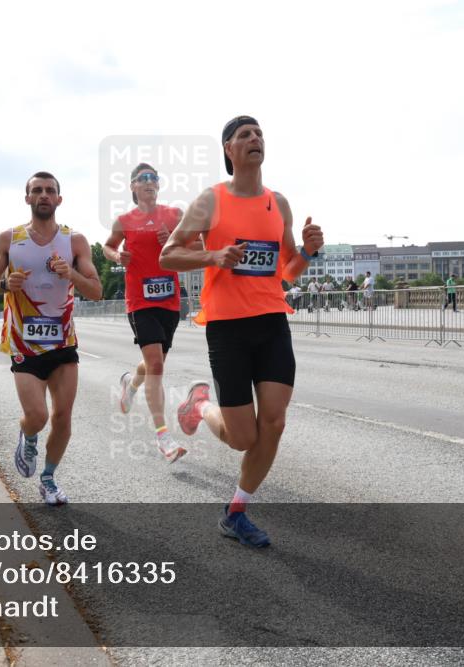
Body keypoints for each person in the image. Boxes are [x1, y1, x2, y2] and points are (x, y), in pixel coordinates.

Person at [160, 115, 324, 548]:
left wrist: (308, 252)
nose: (255, 139)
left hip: (271, 323)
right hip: (227, 328)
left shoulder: (278, 203)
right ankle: (200, 407)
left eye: (259, 134)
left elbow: (287, 271)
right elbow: (168, 255)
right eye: (245, 135)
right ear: (228, 150)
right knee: (242, 438)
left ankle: (236, 512)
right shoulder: (211, 201)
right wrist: (213, 256)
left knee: (274, 422)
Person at [0, 171, 102, 505]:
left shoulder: (75, 241)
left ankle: (49, 479)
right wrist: (5, 284)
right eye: (37, 190)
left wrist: (71, 273)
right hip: (24, 343)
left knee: (62, 417)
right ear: (27, 198)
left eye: (50, 190)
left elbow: (96, 291)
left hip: (63, 342)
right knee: (37, 416)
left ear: (59, 199)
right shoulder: (9, 238)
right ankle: (28, 435)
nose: (43, 195)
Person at [103, 163, 189, 463]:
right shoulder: (124, 220)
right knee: (156, 364)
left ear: (159, 185)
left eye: (154, 178)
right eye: (143, 178)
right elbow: (108, 246)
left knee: (154, 363)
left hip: (170, 302)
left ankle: (131, 384)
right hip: (140, 301)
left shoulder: (174, 215)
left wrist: (173, 240)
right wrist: (118, 255)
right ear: (133, 187)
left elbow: (197, 244)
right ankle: (164, 437)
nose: (150, 182)